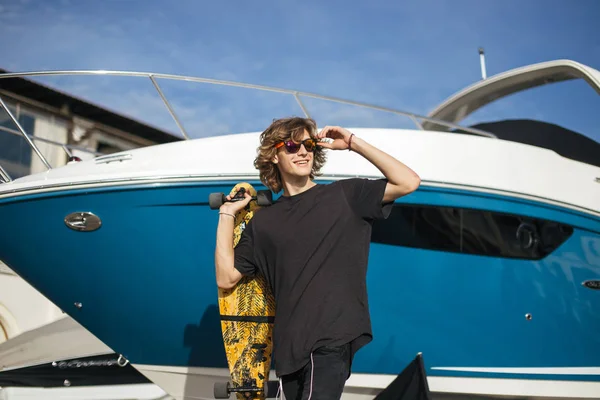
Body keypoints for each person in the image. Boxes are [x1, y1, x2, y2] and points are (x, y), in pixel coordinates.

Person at [214, 117, 420, 400]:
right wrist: (227, 215)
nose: (303, 151)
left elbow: (408, 181)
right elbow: (226, 276)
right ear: (274, 154)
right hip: (288, 351)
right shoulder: (264, 223)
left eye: (308, 144)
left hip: (331, 338)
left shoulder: (347, 195)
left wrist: (352, 143)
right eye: (291, 145)